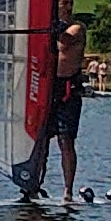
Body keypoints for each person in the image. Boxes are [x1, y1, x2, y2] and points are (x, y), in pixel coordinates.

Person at [43, 11, 91, 203]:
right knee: (42, 139)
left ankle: (67, 190)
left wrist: (56, 27)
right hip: (49, 89)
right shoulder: (49, 27)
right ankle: (33, 185)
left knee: (66, 140)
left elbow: (65, 41)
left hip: (68, 90)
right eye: (63, 3)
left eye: (70, 3)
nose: (68, 7)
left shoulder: (77, 28)